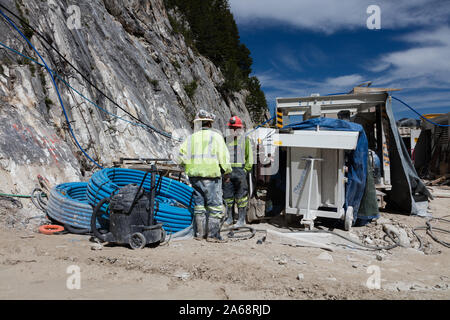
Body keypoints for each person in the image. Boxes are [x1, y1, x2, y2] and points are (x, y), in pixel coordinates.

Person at [177, 110, 232, 242]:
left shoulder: (191, 138)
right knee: (215, 206)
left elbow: (180, 157)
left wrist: (187, 167)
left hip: (195, 177)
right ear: (210, 124)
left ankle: (200, 234)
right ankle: (213, 235)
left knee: (199, 206)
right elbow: (223, 156)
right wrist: (227, 171)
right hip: (211, 175)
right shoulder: (216, 137)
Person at [223, 115, 253, 227]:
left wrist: (245, 170)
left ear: (240, 129)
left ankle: (241, 220)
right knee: (228, 197)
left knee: (241, 197)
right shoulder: (225, 140)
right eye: (232, 128)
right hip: (228, 172)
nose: (234, 130)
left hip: (240, 172)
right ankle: (230, 218)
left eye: (236, 128)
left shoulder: (245, 140)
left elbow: (250, 157)